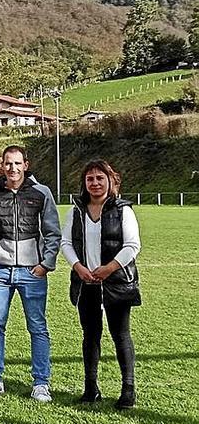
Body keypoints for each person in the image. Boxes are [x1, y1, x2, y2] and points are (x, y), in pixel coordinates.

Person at [61, 159, 141, 409]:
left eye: (99, 178)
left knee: (121, 335)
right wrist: (78, 267)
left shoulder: (122, 210)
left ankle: (128, 389)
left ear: (110, 181)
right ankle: (90, 387)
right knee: (90, 335)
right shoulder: (75, 211)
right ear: (84, 184)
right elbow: (66, 243)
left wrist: (109, 268)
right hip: (86, 283)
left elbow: (132, 246)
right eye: (90, 179)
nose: (95, 183)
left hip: (116, 283)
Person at [0, 145, 61, 403]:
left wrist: (45, 264)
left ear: (26, 165)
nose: (12, 168)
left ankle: (41, 383)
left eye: (17, 163)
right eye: (8, 163)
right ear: (2, 165)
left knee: (37, 327)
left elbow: (52, 232)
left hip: (32, 272)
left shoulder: (42, 193)